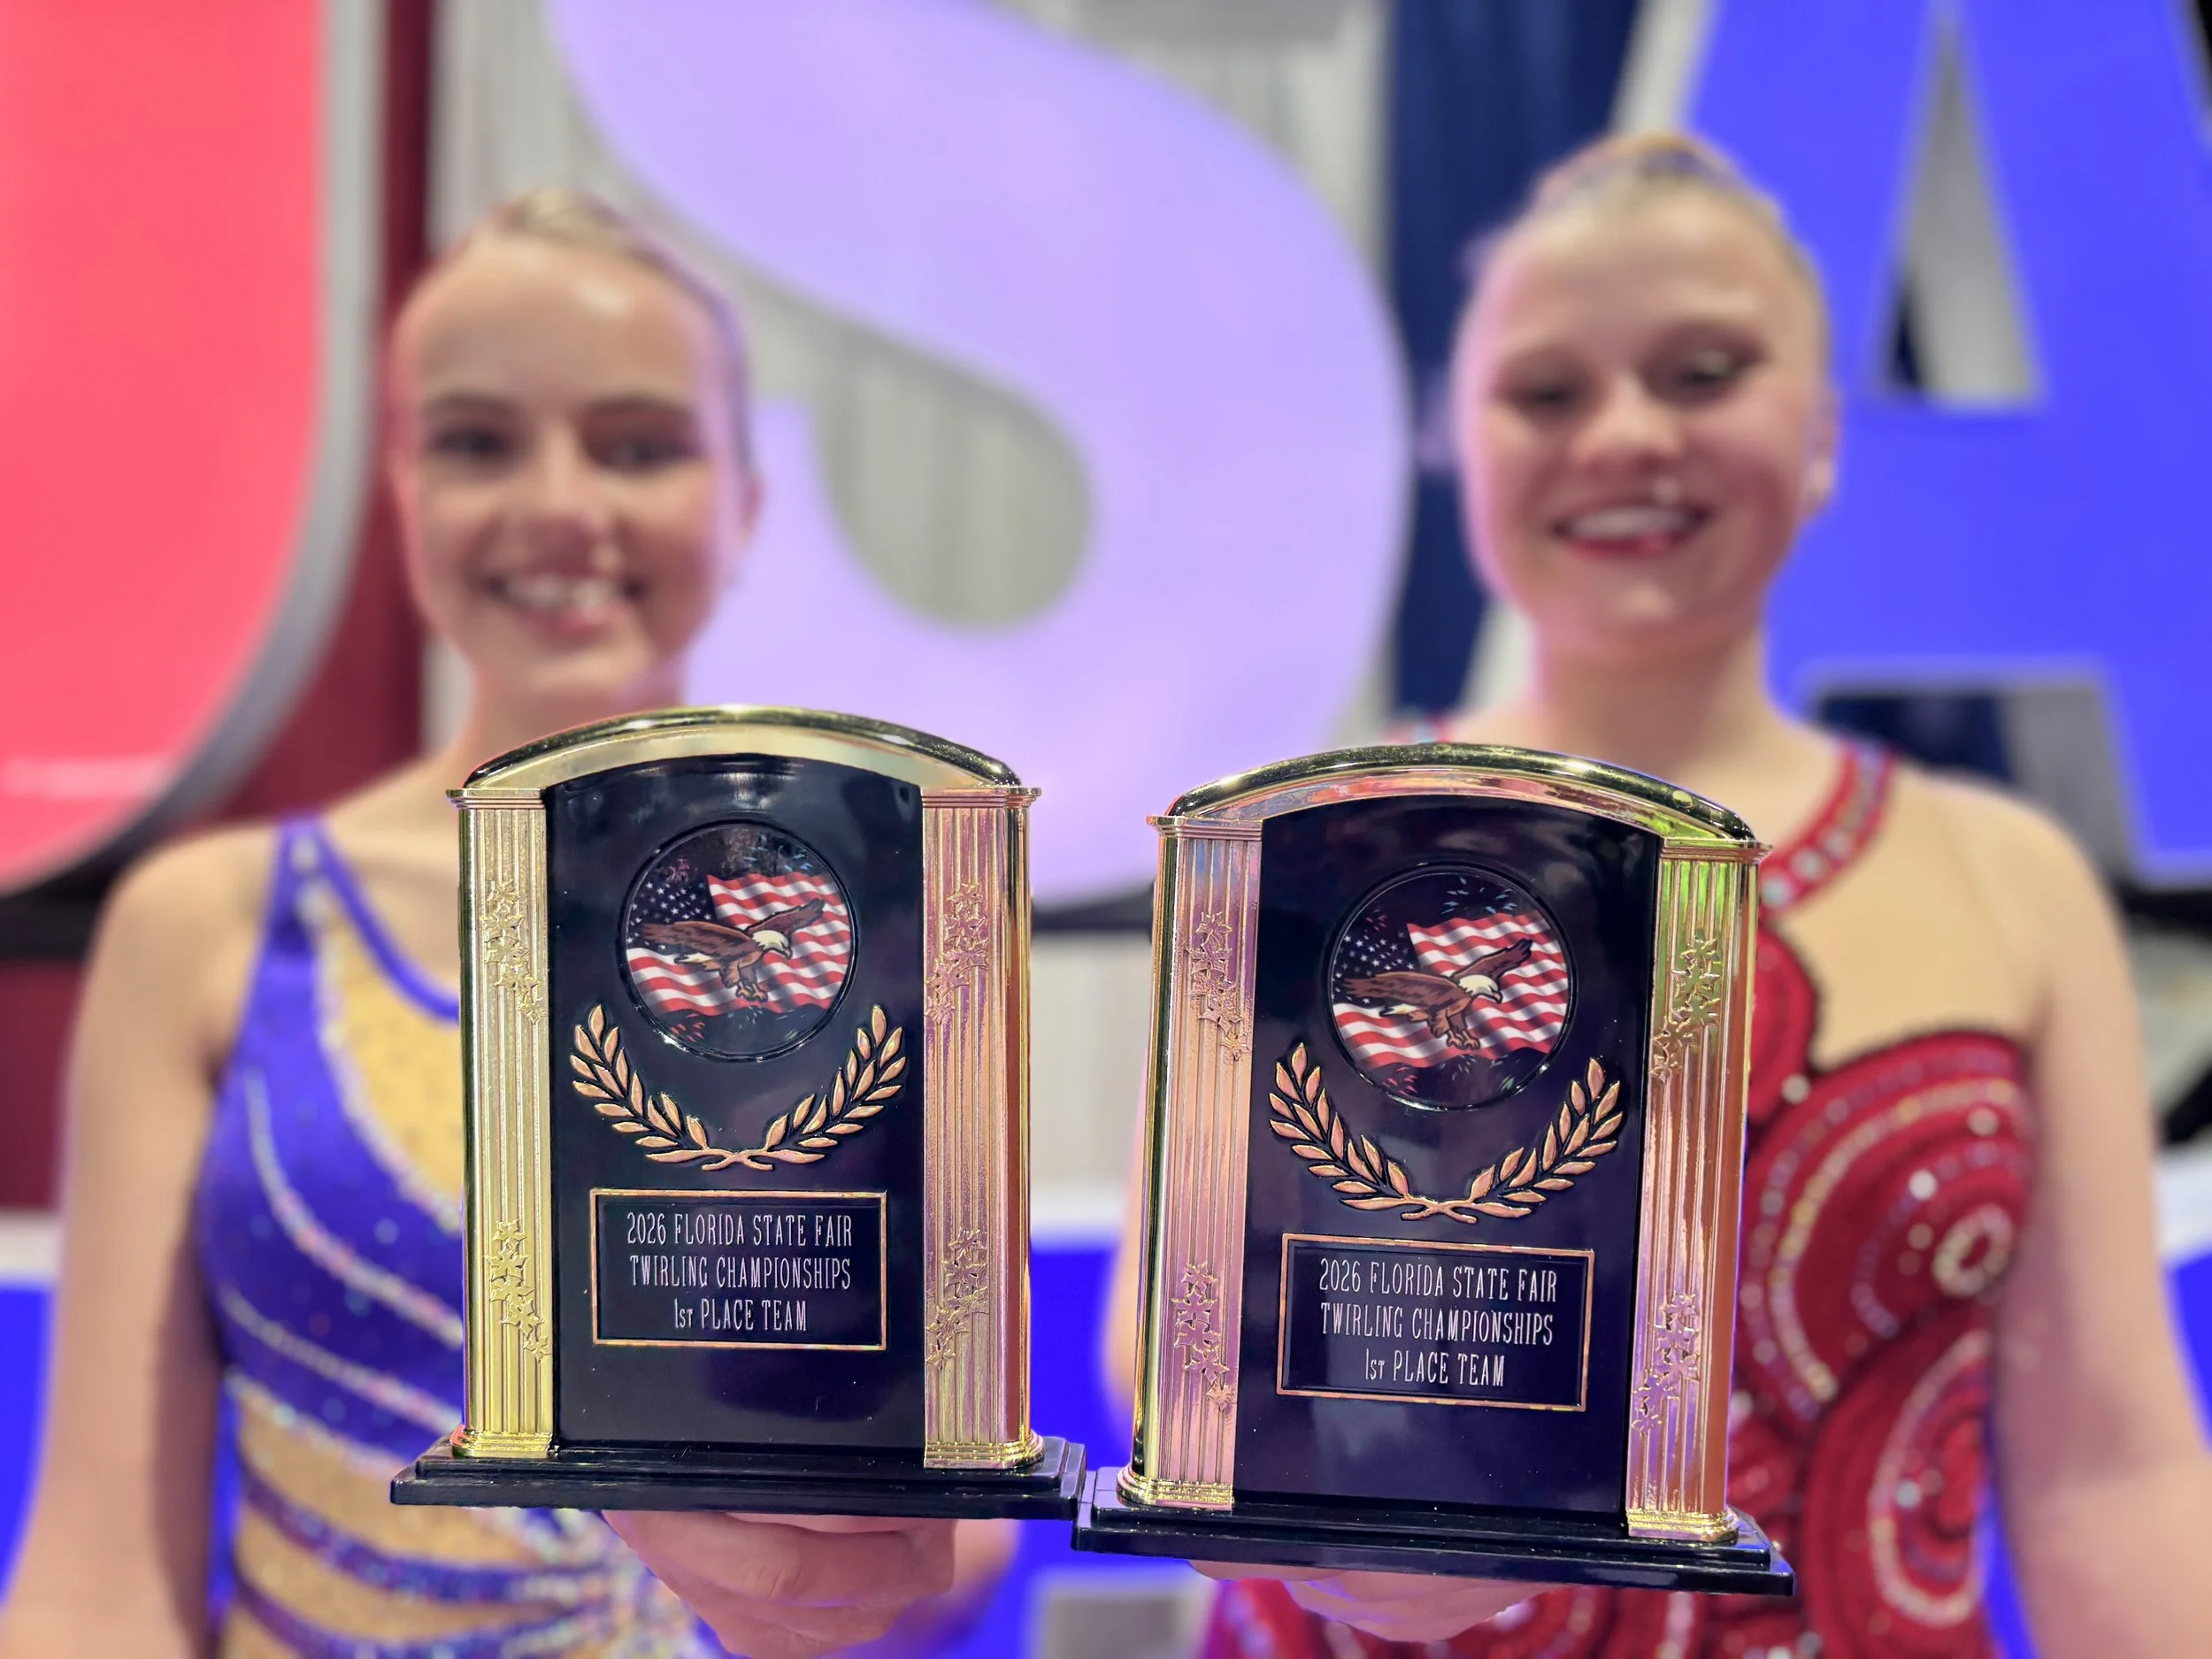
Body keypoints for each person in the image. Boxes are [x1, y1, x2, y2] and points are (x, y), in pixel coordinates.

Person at [1108, 133, 2212, 1655]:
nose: (1625, 434)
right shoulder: (1306, 849)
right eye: (1548, 392)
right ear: (1460, 440)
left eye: (1702, 372)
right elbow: (1172, 1357)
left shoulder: (2009, 880)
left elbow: (2112, 1463)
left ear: (1822, 431)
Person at [0, 188, 991, 1659]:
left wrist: (827, 1573)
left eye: (639, 444)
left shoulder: (892, 923)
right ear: (402, 486)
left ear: (747, 498)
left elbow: (952, 1525)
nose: (557, 503)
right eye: (476, 441)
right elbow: (98, 1575)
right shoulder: (208, 927)